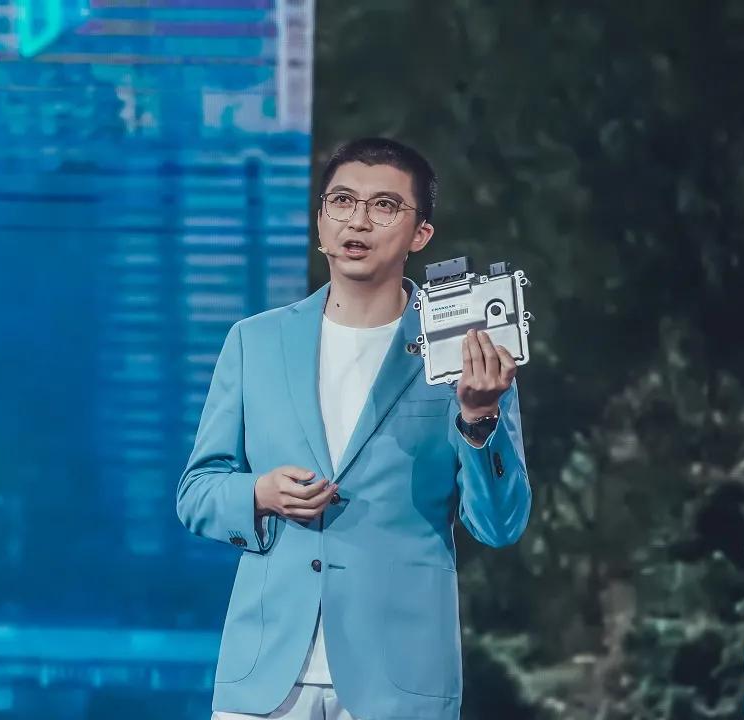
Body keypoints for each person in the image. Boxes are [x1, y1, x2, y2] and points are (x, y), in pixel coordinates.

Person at [176, 137, 532, 720]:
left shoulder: (466, 353)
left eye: (384, 206)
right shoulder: (254, 341)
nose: (358, 220)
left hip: (402, 678)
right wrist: (259, 493)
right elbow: (196, 493)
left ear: (421, 234)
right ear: (320, 220)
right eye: (342, 201)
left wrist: (478, 419)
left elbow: (499, 525)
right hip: (265, 672)